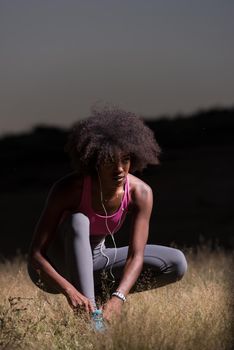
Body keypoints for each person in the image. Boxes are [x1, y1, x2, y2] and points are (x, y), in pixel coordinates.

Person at [27, 107, 187, 331]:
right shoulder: (69, 189)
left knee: (176, 262)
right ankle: (92, 322)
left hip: (97, 261)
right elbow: (35, 255)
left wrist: (118, 297)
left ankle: (98, 300)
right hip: (56, 268)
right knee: (78, 221)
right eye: (110, 160)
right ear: (95, 160)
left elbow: (135, 256)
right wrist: (69, 291)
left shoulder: (140, 193)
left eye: (126, 159)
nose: (120, 169)